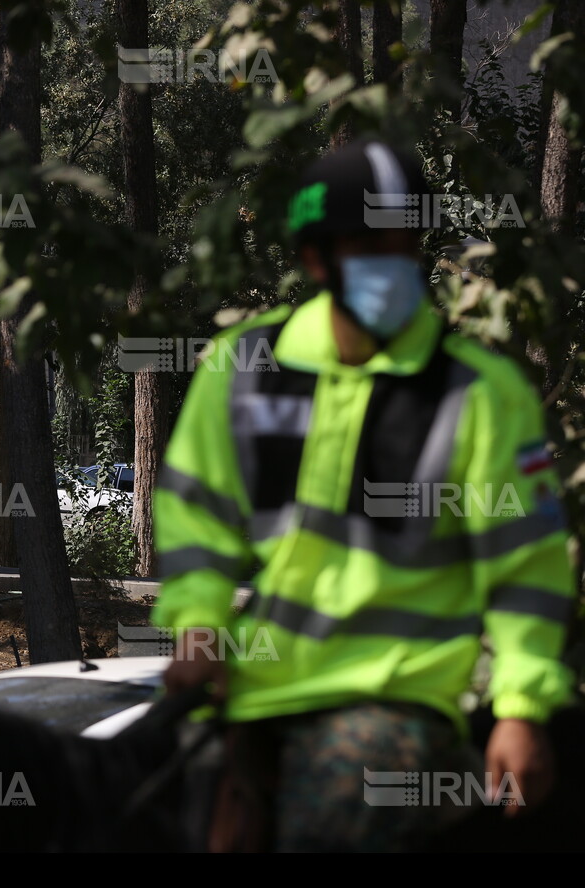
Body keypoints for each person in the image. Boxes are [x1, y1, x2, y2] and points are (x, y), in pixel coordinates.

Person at [152, 136, 575, 852]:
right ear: (315, 258)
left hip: (395, 708)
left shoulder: (477, 392)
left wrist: (522, 708)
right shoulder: (243, 368)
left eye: (403, 243)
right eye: (366, 244)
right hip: (253, 692)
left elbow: (526, 571)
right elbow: (199, 524)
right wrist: (198, 627)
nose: (390, 263)